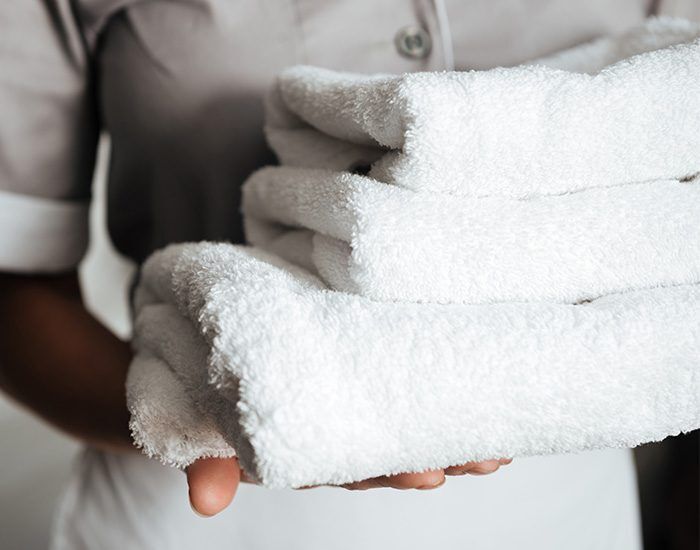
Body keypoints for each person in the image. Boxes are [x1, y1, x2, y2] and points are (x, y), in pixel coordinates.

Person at [2, 1, 693, 548]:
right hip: (203, 519)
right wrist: (203, 416)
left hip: (567, 514)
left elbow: (666, 128)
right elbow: (14, 279)